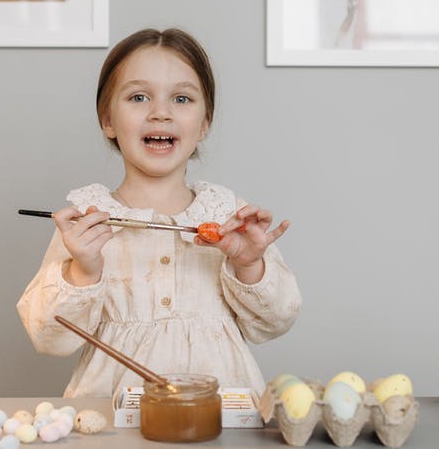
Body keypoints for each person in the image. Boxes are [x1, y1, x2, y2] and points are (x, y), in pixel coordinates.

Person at [17, 28, 302, 398]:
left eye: (181, 98)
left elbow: (276, 321)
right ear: (107, 119)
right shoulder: (87, 221)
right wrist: (83, 270)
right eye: (138, 97)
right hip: (113, 418)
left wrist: (248, 266)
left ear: (205, 123)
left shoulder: (229, 216)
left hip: (219, 417)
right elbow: (47, 337)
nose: (161, 113)